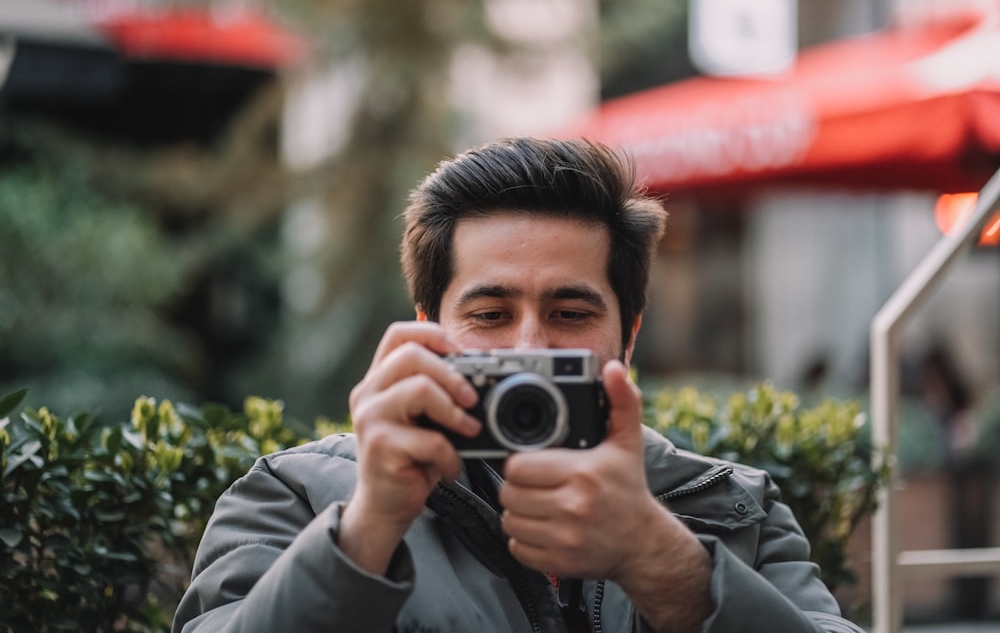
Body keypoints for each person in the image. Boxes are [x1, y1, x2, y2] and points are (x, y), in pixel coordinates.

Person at [172, 137, 863, 633]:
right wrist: (368, 526)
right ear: (427, 327)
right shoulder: (295, 494)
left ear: (629, 332)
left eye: (569, 313)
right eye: (490, 314)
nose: (529, 347)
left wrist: (659, 558)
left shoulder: (732, 506)